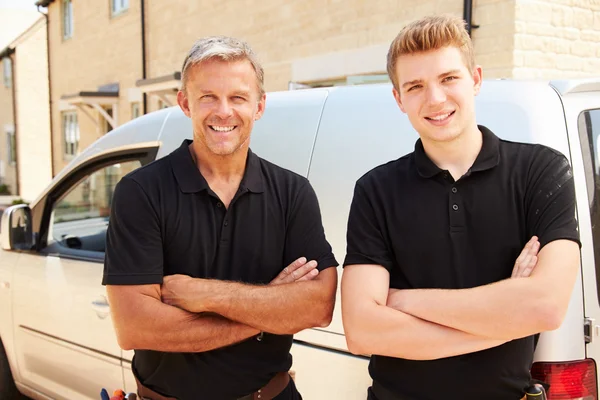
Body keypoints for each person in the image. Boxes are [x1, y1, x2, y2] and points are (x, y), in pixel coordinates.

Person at [341, 14, 580, 400]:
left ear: (476, 79)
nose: (435, 99)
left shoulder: (541, 171)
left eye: (449, 78)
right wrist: (506, 315)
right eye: (415, 86)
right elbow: (363, 330)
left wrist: (404, 301)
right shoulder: (375, 190)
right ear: (398, 99)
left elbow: (546, 306)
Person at [102, 36, 338, 400]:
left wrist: (204, 293)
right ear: (185, 103)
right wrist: (271, 307)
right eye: (208, 96)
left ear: (259, 106)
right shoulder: (141, 192)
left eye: (238, 97)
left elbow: (318, 306)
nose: (223, 111)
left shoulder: (293, 193)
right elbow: (136, 328)